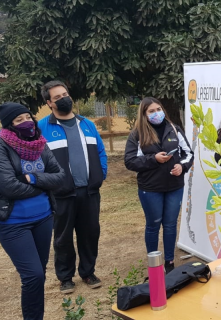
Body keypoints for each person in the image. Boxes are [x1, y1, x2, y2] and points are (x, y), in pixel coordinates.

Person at [38, 80, 108, 294]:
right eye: (57, 97)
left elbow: (101, 153)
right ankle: (65, 277)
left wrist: (100, 175)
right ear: (49, 103)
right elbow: (36, 159)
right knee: (63, 237)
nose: (63, 99)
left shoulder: (86, 124)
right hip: (61, 194)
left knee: (90, 233)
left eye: (65, 94)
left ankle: (88, 272)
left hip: (89, 191)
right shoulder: (41, 127)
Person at [0, 102, 65, 319]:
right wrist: (43, 185)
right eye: (19, 120)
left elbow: (60, 176)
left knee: (39, 274)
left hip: (44, 218)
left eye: (28, 117)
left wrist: (34, 178)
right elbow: (8, 186)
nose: (26, 122)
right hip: (13, 223)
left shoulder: (40, 144)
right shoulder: (2, 146)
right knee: (33, 275)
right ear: (9, 125)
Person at [124, 97, 193, 274]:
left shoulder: (174, 129)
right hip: (150, 188)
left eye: (158, 109)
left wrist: (182, 166)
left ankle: (169, 262)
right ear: (144, 115)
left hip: (174, 187)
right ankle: (154, 263)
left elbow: (188, 153)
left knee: (170, 225)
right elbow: (130, 161)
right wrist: (153, 159)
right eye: (151, 111)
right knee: (153, 224)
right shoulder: (137, 134)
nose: (157, 113)